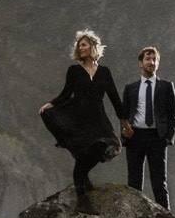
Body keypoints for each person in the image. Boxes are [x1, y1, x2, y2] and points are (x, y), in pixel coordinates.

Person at [39, 30, 132, 202]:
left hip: (98, 118)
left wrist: (125, 123)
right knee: (83, 154)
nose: (80, 48)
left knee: (107, 145)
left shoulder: (104, 72)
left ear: (93, 47)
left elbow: (115, 98)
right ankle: (81, 195)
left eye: (84, 44)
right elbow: (66, 93)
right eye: (79, 45)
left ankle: (83, 177)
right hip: (79, 117)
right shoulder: (74, 70)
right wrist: (51, 104)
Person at [122, 45, 175, 209]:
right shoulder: (130, 88)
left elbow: (173, 115)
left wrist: (167, 138)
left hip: (157, 137)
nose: (152, 62)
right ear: (140, 63)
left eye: (155, 60)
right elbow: (124, 115)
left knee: (159, 181)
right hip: (135, 136)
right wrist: (125, 133)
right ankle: (133, 215)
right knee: (134, 180)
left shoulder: (166, 86)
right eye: (148, 59)